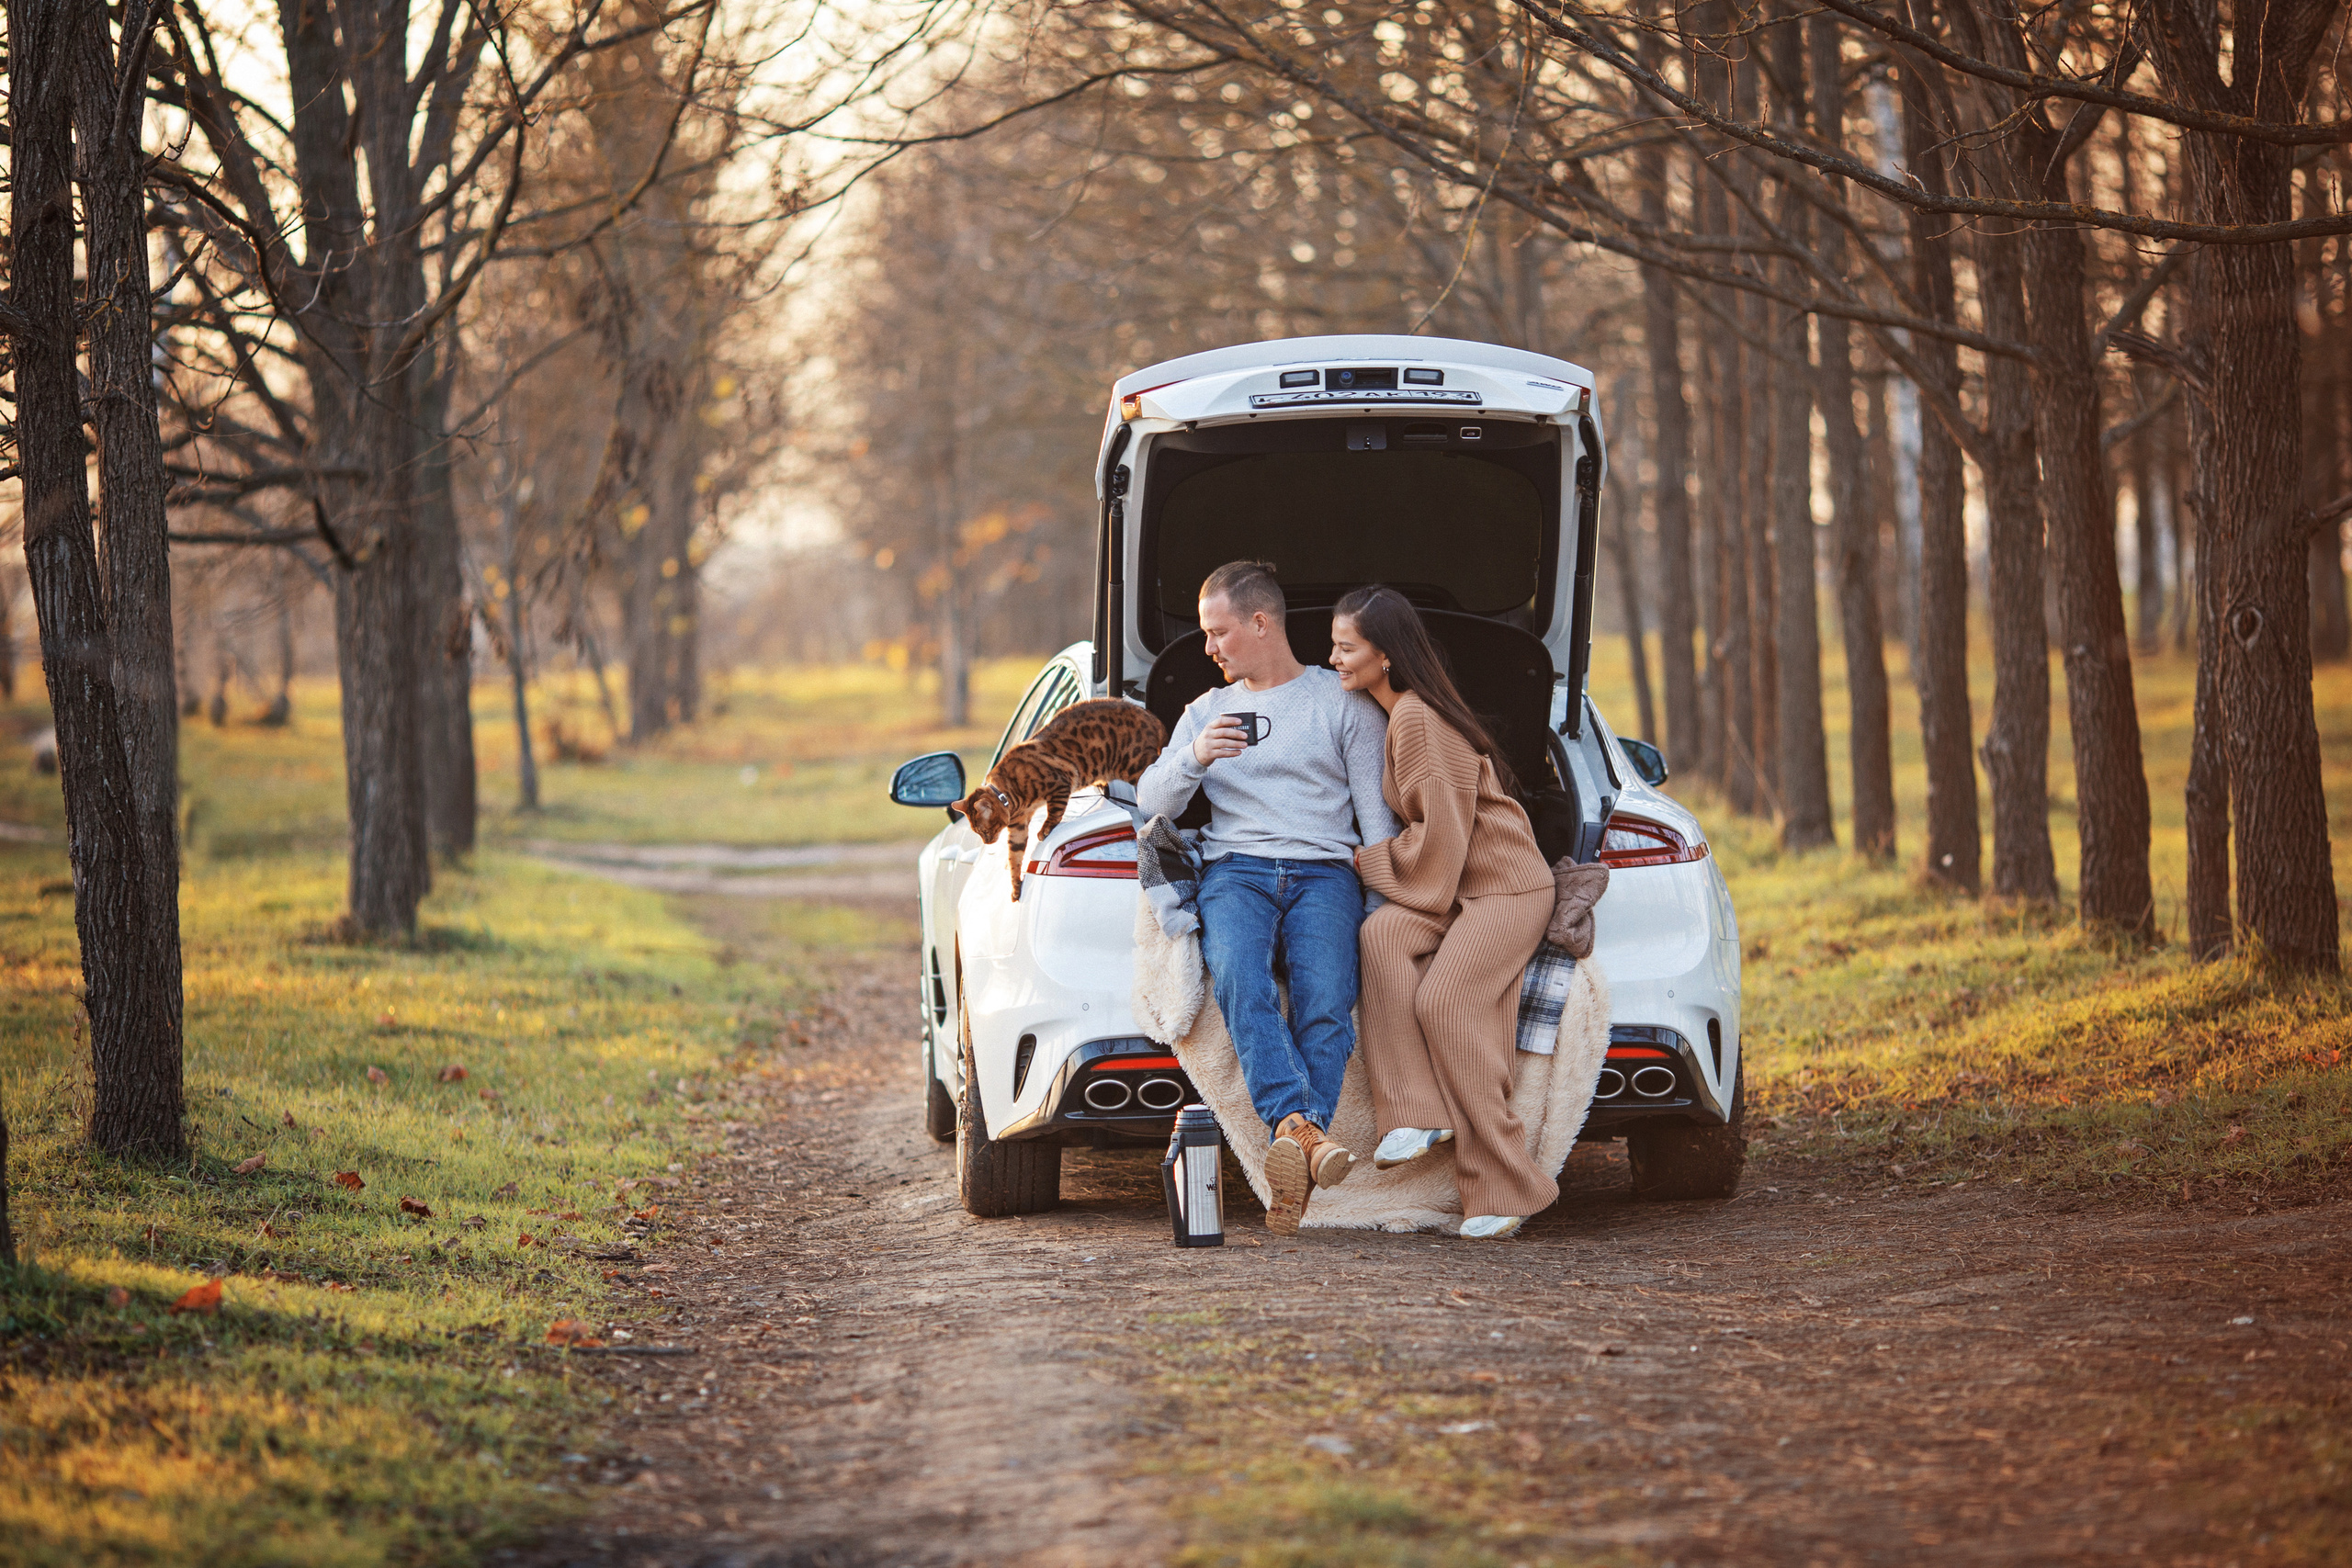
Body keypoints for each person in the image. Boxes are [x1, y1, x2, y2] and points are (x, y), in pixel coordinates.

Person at [1136, 560, 1399, 1233]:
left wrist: (1381, 908)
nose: (1209, 648)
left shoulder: (1340, 701)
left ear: (1260, 622)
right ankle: (1304, 1130)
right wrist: (1194, 755)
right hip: (1237, 871)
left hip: (1325, 872)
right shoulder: (1207, 710)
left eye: (1218, 631)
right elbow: (1149, 803)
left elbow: (1377, 820)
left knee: (1326, 997)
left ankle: (1293, 1147)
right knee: (1239, 977)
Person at [1330, 584, 1558, 1239]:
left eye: (1347, 647)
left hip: (1505, 887)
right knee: (1381, 935)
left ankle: (1505, 1183)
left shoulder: (1417, 720)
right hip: (1460, 887)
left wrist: (1369, 861)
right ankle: (1414, 1111)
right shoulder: (1398, 714)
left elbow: (1441, 844)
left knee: (1447, 1003)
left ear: (1387, 655)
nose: (1335, 658)